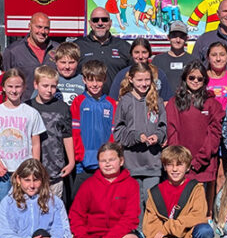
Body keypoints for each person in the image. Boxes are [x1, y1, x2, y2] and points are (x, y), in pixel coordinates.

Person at [69, 142, 143, 238]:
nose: (107, 164)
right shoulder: (88, 185)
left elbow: (130, 219)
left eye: (112, 160)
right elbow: (76, 217)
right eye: (103, 161)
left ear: (121, 161)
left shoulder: (131, 184)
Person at [143, 146, 214, 238]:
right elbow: (151, 229)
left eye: (179, 164)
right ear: (164, 167)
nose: (175, 169)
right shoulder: (155, 193)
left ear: (187, 167)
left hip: (188, 237)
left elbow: (198, 216)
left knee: (205, 230)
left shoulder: (196, 188)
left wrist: (167, 227)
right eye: (170, 165)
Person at [113, 62, 167, 225]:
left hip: (152, 162)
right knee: (135, 205)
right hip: (131, 163)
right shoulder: (125, 101)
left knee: (151, 203)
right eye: (139, 80)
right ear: (131, 80)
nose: (143, 84)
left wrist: (158, 136)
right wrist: (137, 136)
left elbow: (163, 126)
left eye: (147, 80)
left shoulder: (156, 100)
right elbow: (118, 132)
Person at [166, 61, 224, 211]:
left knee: (203, 203)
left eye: (200, 78)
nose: (196, 81)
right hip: (181, 161)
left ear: (205, 81)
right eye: (192, 78)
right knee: (182, 202)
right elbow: (172, 132)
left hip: (204, 160)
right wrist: (179, 160)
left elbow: (214, 134)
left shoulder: (212, 104)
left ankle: (207, 220)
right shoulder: (174, 103)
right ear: (185, 78)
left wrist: (200, 159)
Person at [0, 69, 45, 200]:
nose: (14, 90)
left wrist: (35, 166)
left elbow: (36, 142)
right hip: (3, 169)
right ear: (3, 87)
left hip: (25, 168)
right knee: (3, 203)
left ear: (24, 87)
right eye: (10, 86)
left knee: (26, 202)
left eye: (18, 86)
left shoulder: (31, 113)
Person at [70, 60, 117, 194]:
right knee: (80, 199)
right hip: (82, 163)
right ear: (84, 80)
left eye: (99, 80)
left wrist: (111, 156)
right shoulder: (78, 102)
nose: (95, 84)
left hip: (105, 163)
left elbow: (113, 133)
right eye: (91, 80)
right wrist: (79, 155)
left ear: (105, 80)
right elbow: (75, 131)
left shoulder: (111, 104)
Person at [30, 66, 74, 197]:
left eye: (53, 86)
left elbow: (67, 135)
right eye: (45, 86)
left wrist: (71, 161)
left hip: (55, 167)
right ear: (36, 84)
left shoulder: (63, 107)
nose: (49, 90)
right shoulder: (28, 106)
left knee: (53, 207)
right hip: (32, 169)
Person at [2, 12, 59, 100]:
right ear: (30, 26)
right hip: (23, 106)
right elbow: (6, 81)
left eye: (46, 28)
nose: (42, 32)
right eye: (39, 27)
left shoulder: (57, 49)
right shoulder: (13, 51)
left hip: (51, 107)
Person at [76, 6, 132, 94]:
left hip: (116, 102)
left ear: (110, 23)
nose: (100, 23)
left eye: (104, 20)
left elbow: (135, 74)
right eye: (95, 20)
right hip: (85, 103)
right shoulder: (78, 46)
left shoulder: (124, 47)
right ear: (90, 23)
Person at [152, 20, 192, 95]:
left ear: (187, 38)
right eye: (174, 36)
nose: (178, 40)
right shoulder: (158, 60)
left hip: (187, 104)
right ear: (168, 37)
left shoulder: (193, 61)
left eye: (181, 37)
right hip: (163, 104)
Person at [53, 41, 86, 106]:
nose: (67, 67)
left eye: (71, 62)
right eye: (63, 62)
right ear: (56, 62)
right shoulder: (48, 79)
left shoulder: (84, 81)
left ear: (78, 62)